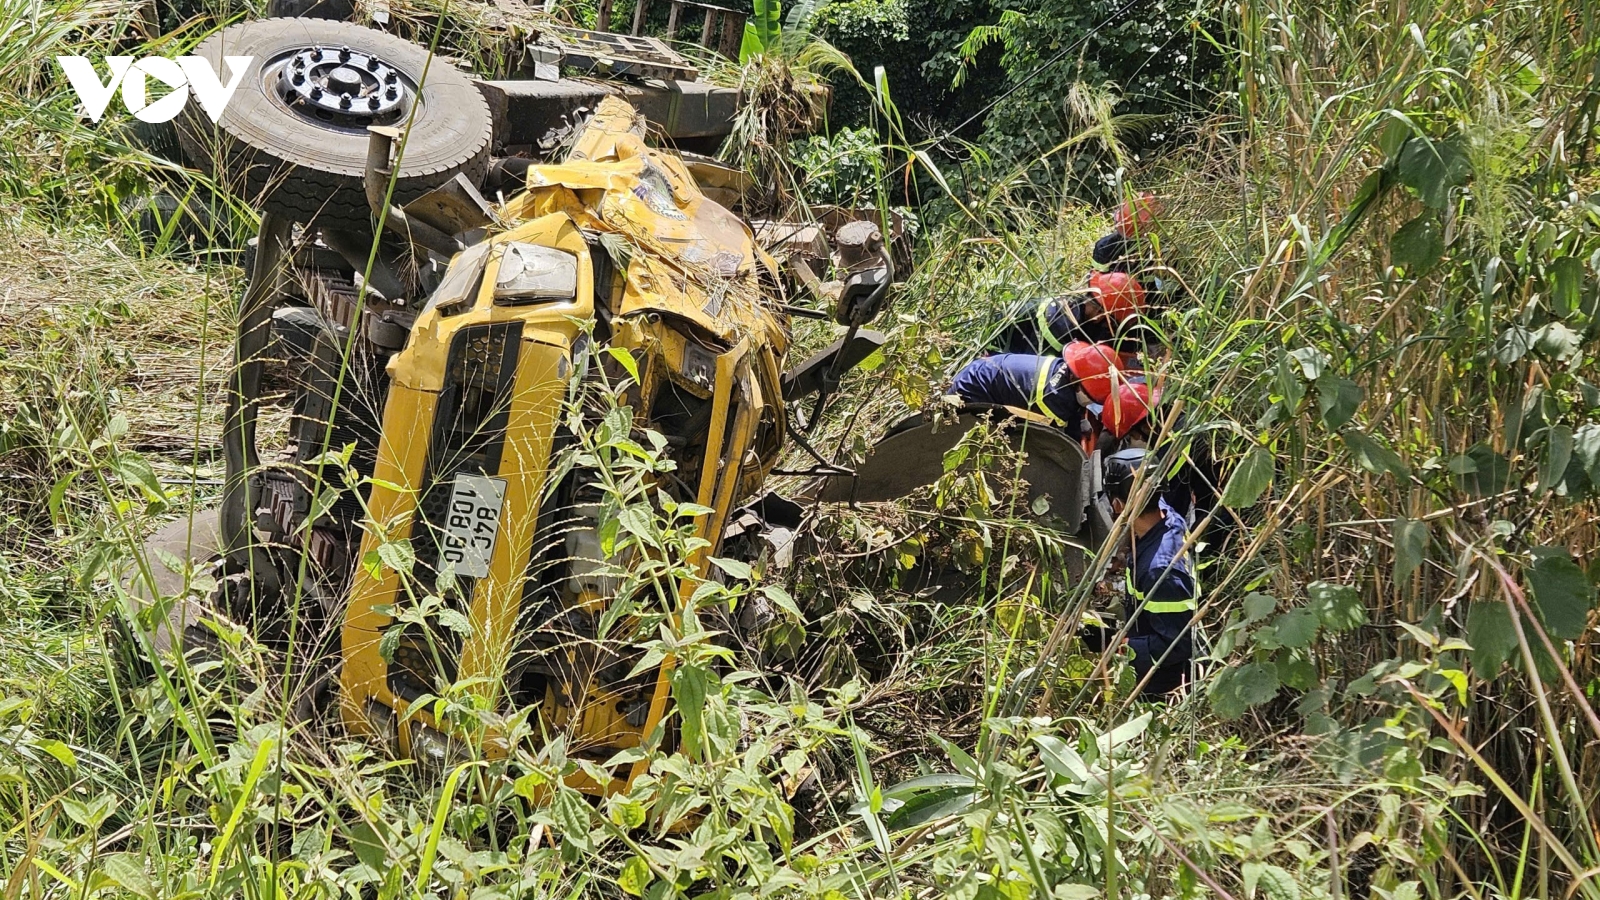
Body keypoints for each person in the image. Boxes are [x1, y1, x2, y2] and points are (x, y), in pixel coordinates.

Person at [1082, 447, 1199, 696]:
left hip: (1166, 683)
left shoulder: (1160, 571)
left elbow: (1178, 644)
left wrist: (1118, 646)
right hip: (1150, 629)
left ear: (1117, 504)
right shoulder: (1168, 517)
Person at [994, 271, 1150, 356]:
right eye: (1113, 322)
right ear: (1101, 314)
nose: (1111, 328)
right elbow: (1039, 373)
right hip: (997, 355)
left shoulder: (1079, 309)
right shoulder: (1059, 326)